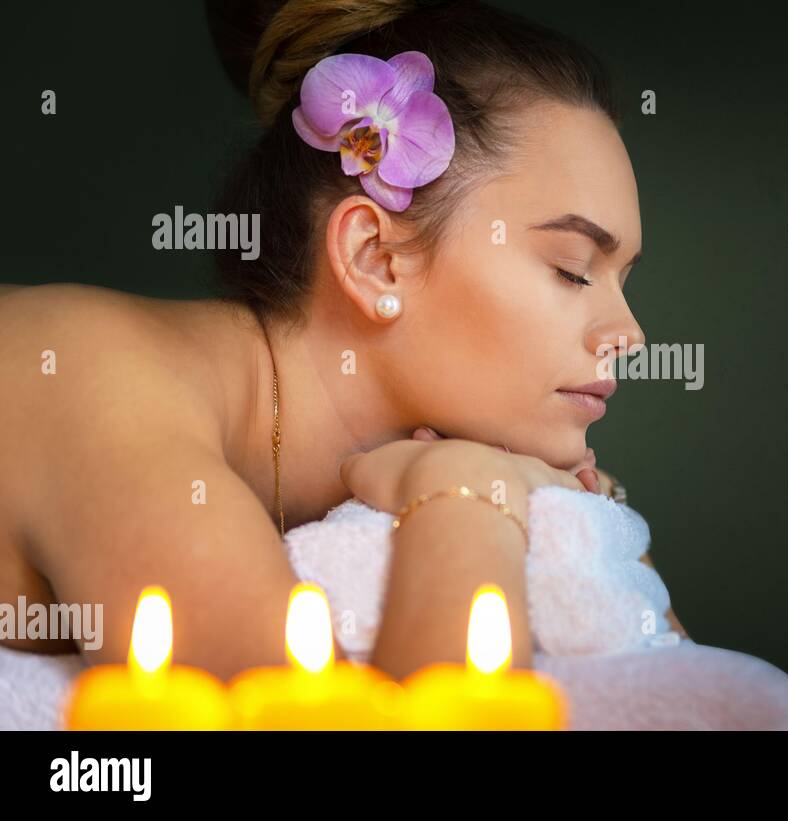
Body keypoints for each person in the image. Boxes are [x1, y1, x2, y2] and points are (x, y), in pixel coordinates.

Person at [0, 0, 686, 683]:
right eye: (572, 269)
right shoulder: (97, 382)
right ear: (373, 259)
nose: (628, 335)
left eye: (623, 279)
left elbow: (691, 681)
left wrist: (597, 534)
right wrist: (467, 492)